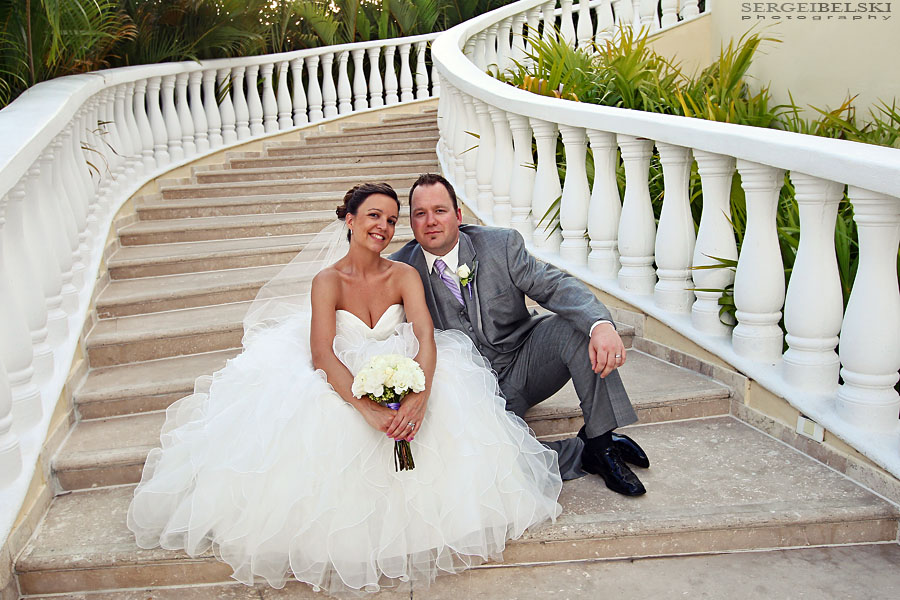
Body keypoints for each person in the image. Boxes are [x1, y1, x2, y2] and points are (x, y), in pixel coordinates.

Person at [126, 183, 562, 595]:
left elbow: (427, 339)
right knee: (325, 425)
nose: (384, 227)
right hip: (344, 377)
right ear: (350, 220)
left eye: (392, 220)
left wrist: (419, 395)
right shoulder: (327, 281)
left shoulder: (405, 274)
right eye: (374, 215)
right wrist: (365, 408)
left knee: (444, 409)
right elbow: (322, 355)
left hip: (406, 367)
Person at [391, 173, 649, 496]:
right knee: (489, 468)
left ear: (458, 215)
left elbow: (553, 285)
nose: (430, 221)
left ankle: (601, 439)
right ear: (411, 224)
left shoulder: (501, 245)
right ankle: (586, 452)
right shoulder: (398, 271)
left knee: (578, 329)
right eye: (420, 213)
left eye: (440, 211)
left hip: (524, 363)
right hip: (473, 397)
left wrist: (601, 324)